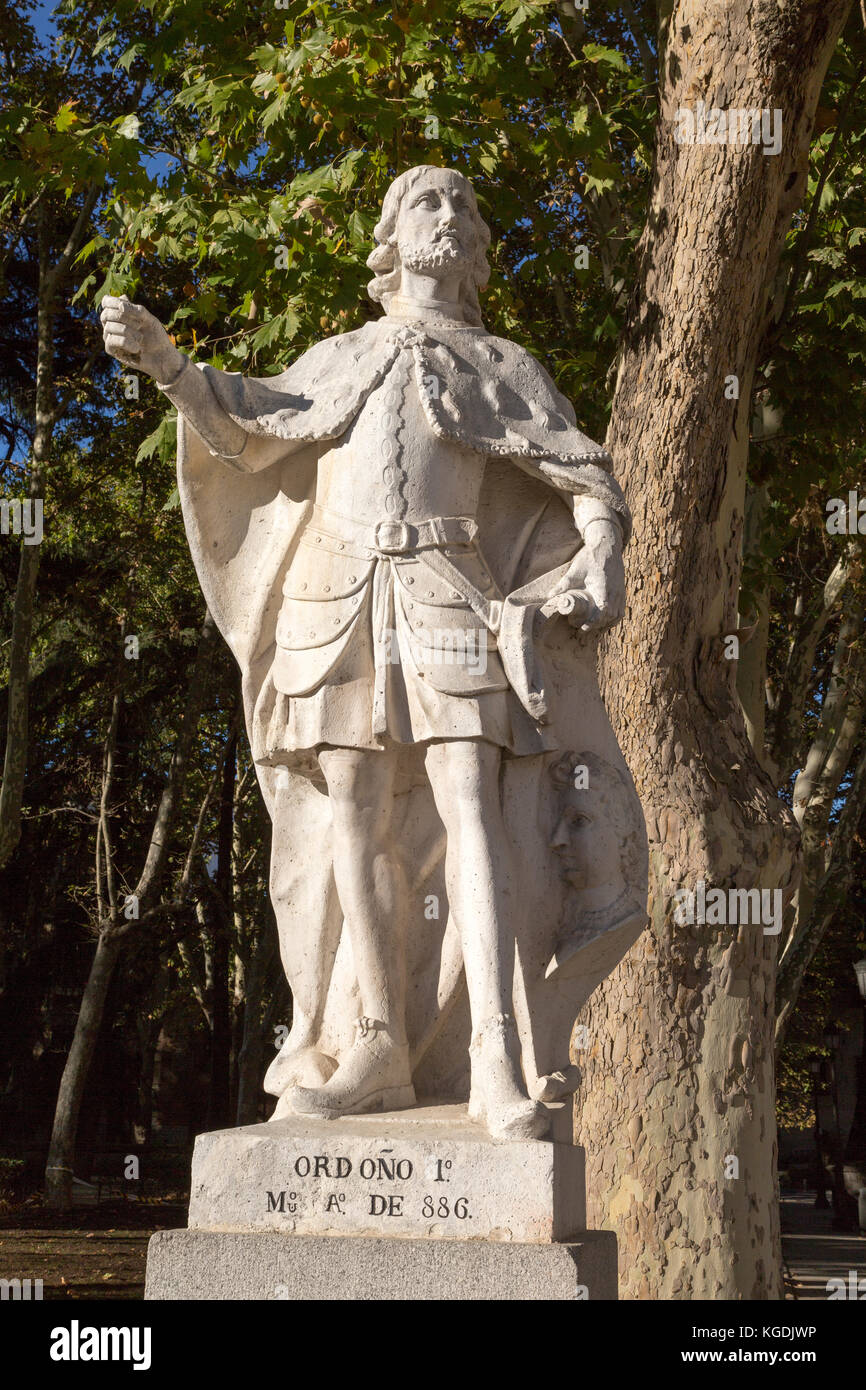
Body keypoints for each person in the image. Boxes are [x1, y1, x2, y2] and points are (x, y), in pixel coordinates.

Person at [100, 166, 630, 1139]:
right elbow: (244, 428)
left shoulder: (500, 364)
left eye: (464, 205)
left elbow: (582, 466)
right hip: (334, 596)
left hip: (447, 583)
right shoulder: (336, 354)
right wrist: (171, 366)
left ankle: (492, 1057)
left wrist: (599, 542)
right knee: (349, 810)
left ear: (475, 248)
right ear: (388, 237)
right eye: (426, 202)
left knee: (471, 804)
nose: (449, 215)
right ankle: (375, 1040)